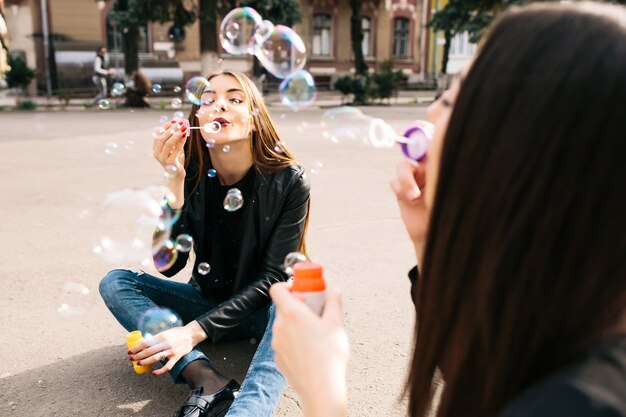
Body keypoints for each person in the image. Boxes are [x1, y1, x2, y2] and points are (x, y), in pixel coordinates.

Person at [270, 2, 626, 417]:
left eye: (454, 101)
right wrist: (429, 241)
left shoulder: (580, 405)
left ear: (517, 150)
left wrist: (322, 396)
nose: (431, 111)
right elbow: (483, 370)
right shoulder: (570, 321)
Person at [100, 70, 310, 417]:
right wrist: (174, 181)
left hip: (264, 310)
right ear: (196, 118)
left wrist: (191, 333)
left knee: (293, 296)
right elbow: (169, 264)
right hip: (209, 302)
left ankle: (248, 411)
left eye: (234, 98)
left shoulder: (289, 181)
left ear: (255, 119)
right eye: (208, 99)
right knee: (115, 282)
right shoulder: (192, 173)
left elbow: (275, 276)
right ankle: (206, 378)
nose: (218, 106)